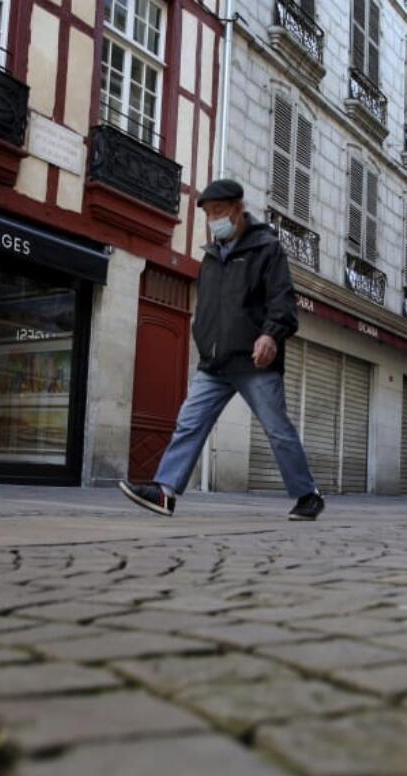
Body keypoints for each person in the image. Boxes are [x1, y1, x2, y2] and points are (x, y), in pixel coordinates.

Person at [119, 179, 325, 521]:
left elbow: (283, 302)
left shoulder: (266, 249)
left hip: (254, 361)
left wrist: (270, 335)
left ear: (237, 209)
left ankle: (307, 495)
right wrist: (203, 337)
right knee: (189, 423)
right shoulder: (212, 255)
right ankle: (165, 492)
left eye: (218, 211)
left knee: (277, 429)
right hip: (214, 362)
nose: (213, 219)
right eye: (208, 213)